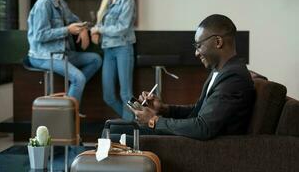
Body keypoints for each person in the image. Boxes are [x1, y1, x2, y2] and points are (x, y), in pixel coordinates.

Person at [105, 14, 255, 142]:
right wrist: (164, 109)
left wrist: (154, 120)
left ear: (217, 42)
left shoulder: (234, 77)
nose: (196, 53)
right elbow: (199, 110)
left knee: (110, 136)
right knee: (111, 128)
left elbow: (203, 127)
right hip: (192, 141)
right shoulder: (221, 71)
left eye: (199, 46)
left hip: (199, 148)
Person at [27, 0, 102, 117]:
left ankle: (69, 98)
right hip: (43, 55)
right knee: (79, 78)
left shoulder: (61, 3)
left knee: (95, 59)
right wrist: (67, 29)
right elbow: (40, 35)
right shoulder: (43, 4)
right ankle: (67, 116)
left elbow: (74, 19)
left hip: (61, 53)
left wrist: (83, 30)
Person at [90, 0, 136, 120]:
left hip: (123, 48)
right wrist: (95, 30)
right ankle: (132, 122)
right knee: (108, 95)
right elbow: (100, 24)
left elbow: (122, 27)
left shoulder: (127, 0)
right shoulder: (108, 1)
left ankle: (130, 130)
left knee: (126, 94)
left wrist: (100, 30)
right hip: (108, 50)